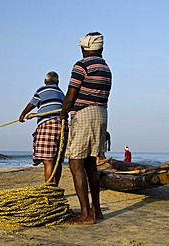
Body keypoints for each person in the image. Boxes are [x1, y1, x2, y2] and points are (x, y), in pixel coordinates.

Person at [60, 32, 112, 225]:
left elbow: (71, 94)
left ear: (84, 48)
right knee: (90, 163)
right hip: (101, 114)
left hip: (84, 115)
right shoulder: (106, 68)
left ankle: (85, 215)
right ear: (101, 49)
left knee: (75, 163)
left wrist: (63, 112)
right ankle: (96, 211)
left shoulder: (81, 65)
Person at [19, 71, 67, 185]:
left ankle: (49, 189)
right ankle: (55, 188)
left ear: (45, 81)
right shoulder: (61, 93)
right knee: (57, 161)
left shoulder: (41, 90)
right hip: (62, 126)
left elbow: (32, 104)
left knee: (48, 161)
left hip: (48, 124)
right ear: (58, 82)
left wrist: (22, 114)